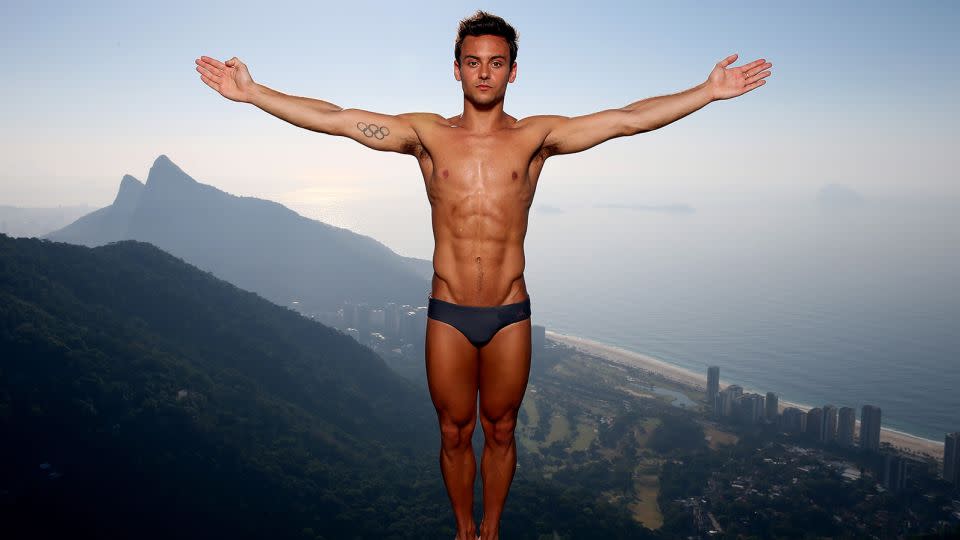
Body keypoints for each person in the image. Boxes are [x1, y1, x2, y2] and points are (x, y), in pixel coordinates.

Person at [195, 10, 772, 540]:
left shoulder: (535, 138)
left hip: (509, 313)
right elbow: (339, 119)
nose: (484, 73)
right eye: (473, 62)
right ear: (457, 69)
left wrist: (707, 92)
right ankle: (462, 528)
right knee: (453, 432)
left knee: (501, 430)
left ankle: (490, 531)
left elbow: (624, 120)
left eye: (496, 62)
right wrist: (253, 94)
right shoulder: (426, 135)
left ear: (512, 72)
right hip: (447, 312)